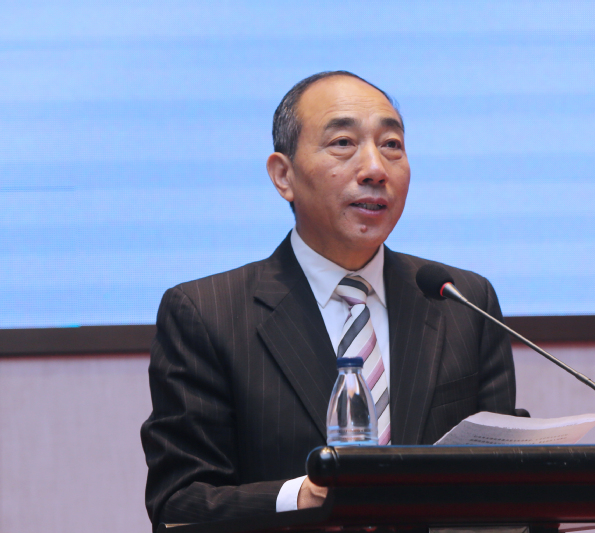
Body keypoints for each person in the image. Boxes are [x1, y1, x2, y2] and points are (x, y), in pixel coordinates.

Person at [140, 71, 516, 529]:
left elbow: (503, 475)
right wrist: (305, 495)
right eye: (343, 143)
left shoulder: (462, 302)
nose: (375, 169)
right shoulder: (206, 314)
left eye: (391, 145)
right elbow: (179, 504)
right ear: (283, 176)